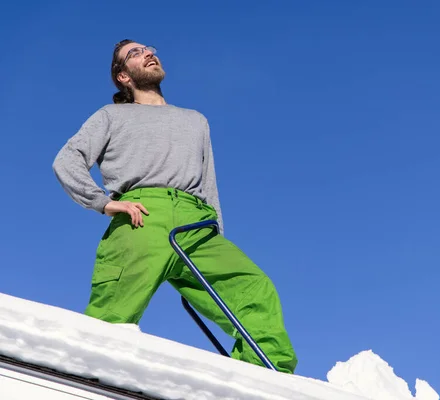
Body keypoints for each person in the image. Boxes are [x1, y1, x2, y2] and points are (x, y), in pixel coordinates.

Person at [52, 39, 297, 374]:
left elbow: (209, 183)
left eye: (149, 49)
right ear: (123, 76)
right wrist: (104, 203)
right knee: (111, 317)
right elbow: (67, 161)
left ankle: (268, 381)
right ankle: (76, 383)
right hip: (142, 218)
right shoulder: (111, 115)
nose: (148, 53)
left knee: (254, 287)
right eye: (134, 54)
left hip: (197, 225)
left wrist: (217, 233)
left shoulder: (195, 120)